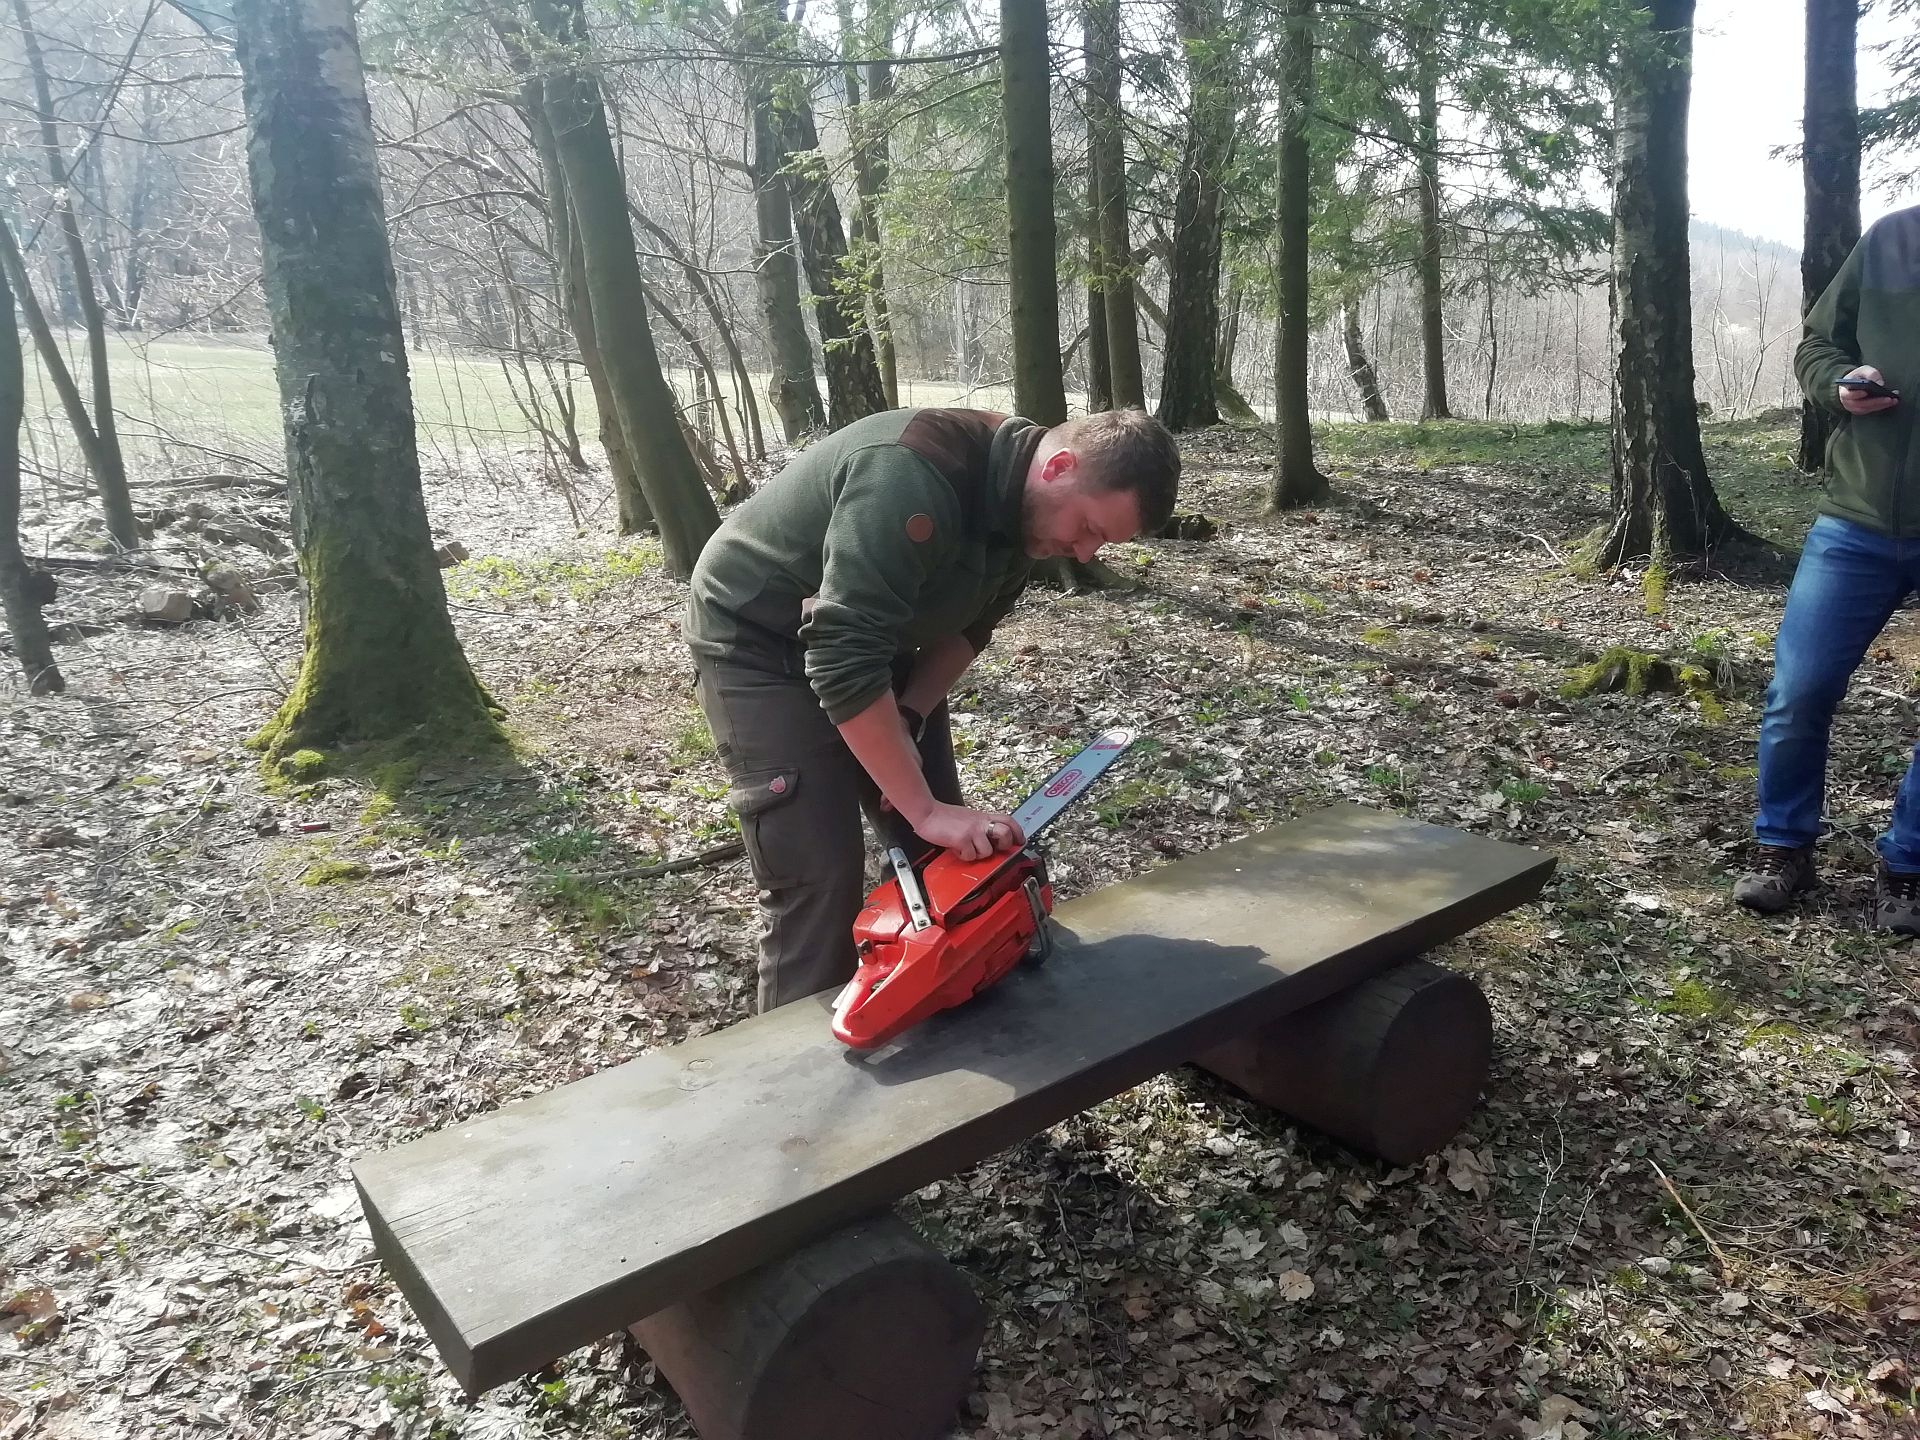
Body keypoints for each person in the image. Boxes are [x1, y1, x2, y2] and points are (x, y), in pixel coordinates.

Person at [684, 406, 1181, 1011]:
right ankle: (801, 1062)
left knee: (950, 859)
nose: (1082, 552)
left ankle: (935, 1003)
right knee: (820, 878)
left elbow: (968, 631)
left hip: (874, 636)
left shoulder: (1026, 512)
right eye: (1087, 528)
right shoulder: (910, 474)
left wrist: (911, 715)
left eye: (1101, 541)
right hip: (759, 642)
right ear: (1058, 467)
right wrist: (922, 808)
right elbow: (841, 656)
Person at [1736, 203, 1920, 931]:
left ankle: (1908, 865)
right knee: (1799, 690)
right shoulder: (1893, 239)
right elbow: (1817, 345)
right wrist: (1841, 381)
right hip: (1855, 520)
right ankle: (1784, 848)